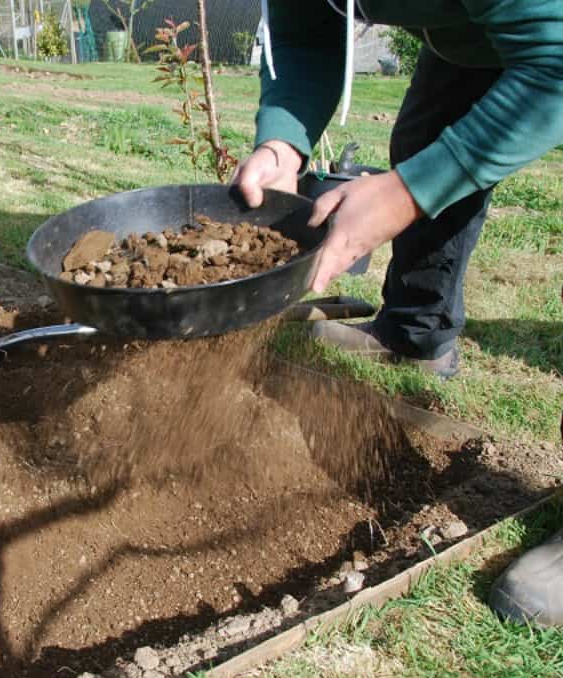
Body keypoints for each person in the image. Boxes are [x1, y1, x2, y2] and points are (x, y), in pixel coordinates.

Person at [233, 0, 563, 627]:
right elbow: (304, 35)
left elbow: (557, 63)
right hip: (469, 32)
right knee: (425, 140)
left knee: (430, 167)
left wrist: (409, 192)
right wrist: (283, 142)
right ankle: (417, 333)